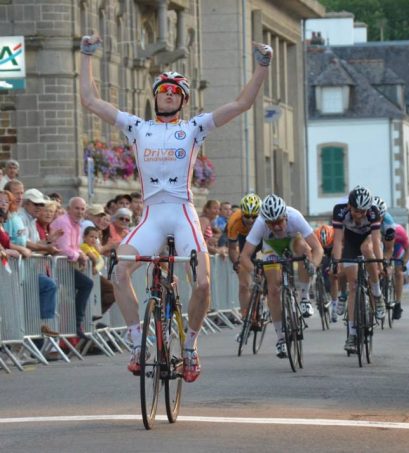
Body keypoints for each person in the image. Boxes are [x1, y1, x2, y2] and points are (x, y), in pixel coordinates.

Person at [79, 32, 273, 382]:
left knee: (201, 283)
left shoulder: (194, 127)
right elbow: (91, 101)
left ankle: (190, 346)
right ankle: (137, 339)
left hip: (182, 212)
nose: (167, 95)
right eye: (162, 91)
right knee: (120, 271)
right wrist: (87, 54)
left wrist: (262, 67)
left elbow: (241, 104)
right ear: (155, 97)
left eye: (174, 93)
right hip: (152, 215)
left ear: (182, 100)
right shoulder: (137, 128)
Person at [239, 194, 323, 358]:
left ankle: (304, 298)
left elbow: (317, 248)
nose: (276, 226)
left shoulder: (295, 216)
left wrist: (313, 265)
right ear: (265, 221)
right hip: (271, 246)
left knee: (304, 249)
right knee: (274, 289)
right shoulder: (260, 224)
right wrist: (254, 272)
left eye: (279, 221)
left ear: (285, 216)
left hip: (292, 241)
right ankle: (281, 338)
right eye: (271, 223)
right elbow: (244, 256)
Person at [331, 186, 385, 353]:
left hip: (367, 238)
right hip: (350, 241)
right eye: (356, 211)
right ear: (349, 206)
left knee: (368, 249)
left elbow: (376, 241)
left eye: (363, 211)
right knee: (353, 286)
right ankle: (353, 334)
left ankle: (377, 294)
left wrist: (380, 263)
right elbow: (338, 240)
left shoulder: (374, 212)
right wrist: (337, 262)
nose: (359, 215)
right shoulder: (340, 211)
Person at [0, 189, 59, 337]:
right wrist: (14, 251)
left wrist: (46, 245)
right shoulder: (16, 218)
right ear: (26, 203)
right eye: (36, 204)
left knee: (39, 292)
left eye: (6, 202)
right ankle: (28, 333)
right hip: (10, 270)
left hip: (22, 269)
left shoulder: (19, 219)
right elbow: (11, 243)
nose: (39, 207)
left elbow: (23, 243)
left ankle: (37, 327)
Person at [50, 197, 94, 338]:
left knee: (86, 285)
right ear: (69, 209)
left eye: (82, 209)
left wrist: (82, 255)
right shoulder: (64, 222)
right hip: (56, 265)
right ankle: (76, 324)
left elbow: (74, 247)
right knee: (87, 284)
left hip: (65, 265)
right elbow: (63, 248)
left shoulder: (77, 225)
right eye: (76, 208)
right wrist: (79, 256)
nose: (80, 211)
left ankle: (77, 324)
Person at [227, 193, 262, 328]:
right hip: (244, 241)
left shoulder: (264, 221)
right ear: (241, 213)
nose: (250, 220)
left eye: (254, 216)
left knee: (264, 272)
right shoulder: (234, 221)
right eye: (247, 216)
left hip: (261, 240)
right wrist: (236, 263)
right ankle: (246, 314)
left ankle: (260, 300)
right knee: (244, 284)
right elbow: (232, 248)